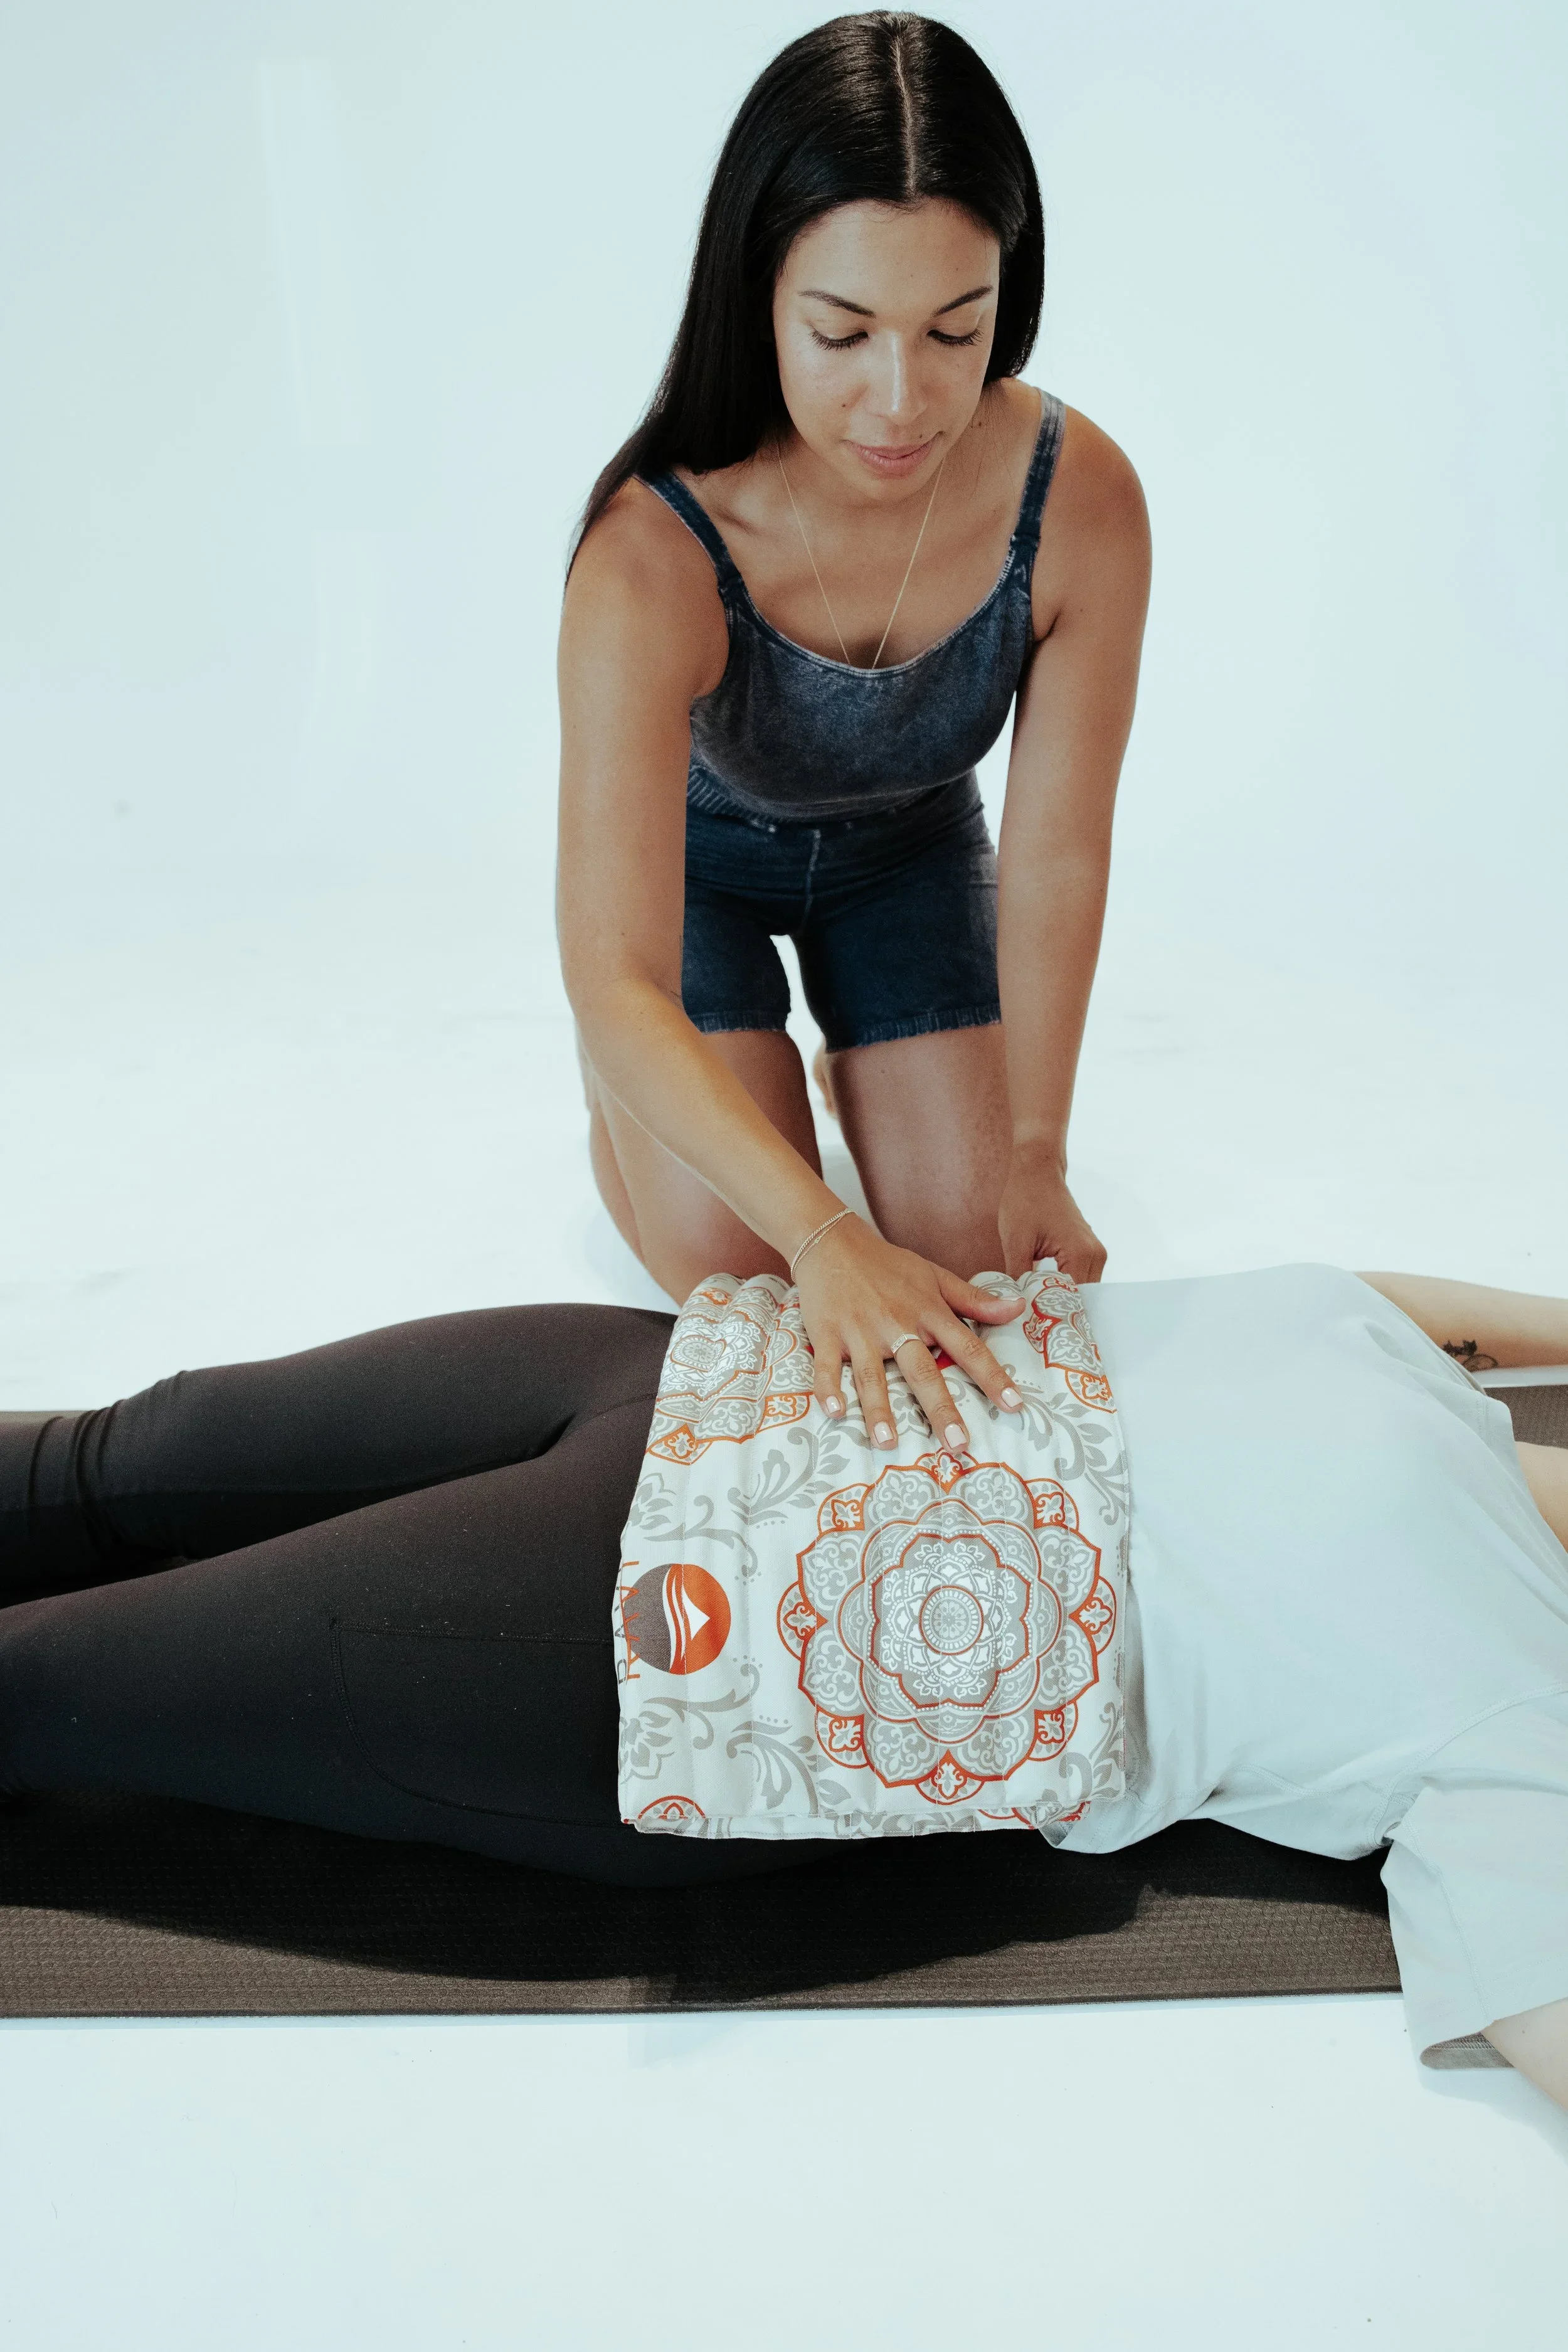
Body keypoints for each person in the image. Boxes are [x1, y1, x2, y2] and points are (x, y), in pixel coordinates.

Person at [2, 1261, 1565, 2110]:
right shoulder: (1415, 1350)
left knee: (42, 1684)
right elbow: (1418, 1299)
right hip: (667, 1373)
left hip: (656, 1641)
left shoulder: (1523, 1724)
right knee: (106, 1462)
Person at [556, 12, 1151, 1439]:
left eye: (956, 328)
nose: (901, 398)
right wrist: (822, 1235)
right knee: (751, 1292)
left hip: (904, 857)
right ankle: (642, 1120)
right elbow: (611, 965)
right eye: (841, 333)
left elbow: (1057, 853)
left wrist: (1035, 1145)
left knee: (974, 1269)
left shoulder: (1078, 499)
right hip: (692, 879)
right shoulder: (650, 553)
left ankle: (860, 1064)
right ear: (755, 298)